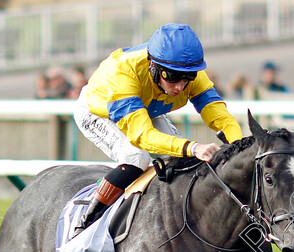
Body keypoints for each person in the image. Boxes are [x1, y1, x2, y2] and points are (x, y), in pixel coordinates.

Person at [72, 23, 243, 237]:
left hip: (142, 107)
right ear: (152, 65)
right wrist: (193, 147)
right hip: (99, 111)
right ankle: (86, 221)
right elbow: (141, 135)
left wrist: (239, 147)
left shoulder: (189, 72)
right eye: (171, 76)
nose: (180, 86)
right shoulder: (123, 71)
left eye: (187, 77)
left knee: (180, 160)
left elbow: (221, 117)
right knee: (136, 157)